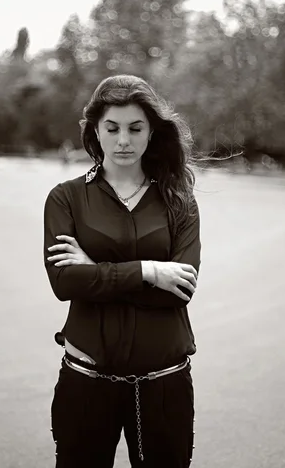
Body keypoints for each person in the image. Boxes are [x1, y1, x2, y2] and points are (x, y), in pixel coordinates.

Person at [43, 74, 201, 468]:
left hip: (165, 385)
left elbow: (179, 289)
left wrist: (95, 273)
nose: (123, 141)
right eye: (112, 129)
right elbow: (64, 282)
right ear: (96, 131)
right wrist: (148, 270)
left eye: (135, 128)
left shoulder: (179, 201)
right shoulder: (66, 198)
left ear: (151, 133)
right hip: (86, 382)